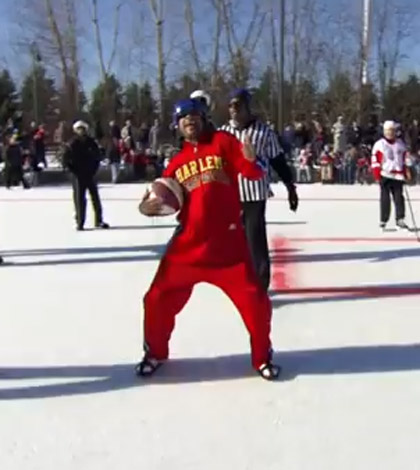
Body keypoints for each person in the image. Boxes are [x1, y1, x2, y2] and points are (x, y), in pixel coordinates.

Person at [136, 98, 280, 381]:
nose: (189, 121)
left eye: (194, 116)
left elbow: (251, 171)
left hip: (227, 246)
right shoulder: (176, 163)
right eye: (183, 119)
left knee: (255, 302)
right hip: (188, 248)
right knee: (157, 299)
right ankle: (155, 353)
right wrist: (148, 207)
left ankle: (262, 357)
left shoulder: (223, 142)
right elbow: (165, 199)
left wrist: (251, 162)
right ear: (177, 126)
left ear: (203, 118)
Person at [220, 89, 298, 291]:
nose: (234, 110)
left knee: (255, 240)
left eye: (238, 105)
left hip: (254, 193)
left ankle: (259, 286)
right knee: (233, 242)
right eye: (230, 106)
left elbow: (278, 161)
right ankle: (238, 281)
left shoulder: (264, 133)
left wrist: (290, 187)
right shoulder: (222, 133)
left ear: (247, 107)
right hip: (229, 195)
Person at [63, 121, 110, 231]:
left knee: (95, 197)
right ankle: (80, 221)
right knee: (79, 199)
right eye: (79, 129)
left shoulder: (91, 142)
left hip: (90, 174)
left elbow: (97, 157)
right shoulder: (72, 143)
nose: (81, 131)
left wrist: (94, 169)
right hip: (78, 175)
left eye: (83, 128)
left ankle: (99, 220)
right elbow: (66, 159)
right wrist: (73, 171)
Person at [371, 120, 409, 231]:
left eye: (392, 130)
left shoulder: (400, 144)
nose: (390, 133)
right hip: (385, 174)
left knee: (399, 198)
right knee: (385, 199)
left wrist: (406, 170)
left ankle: (400, 219)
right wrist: (377, 174)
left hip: (398, 176)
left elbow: (404, 159)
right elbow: (375, 160)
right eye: (387, 131)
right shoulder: (380, 144)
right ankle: (383, 220)